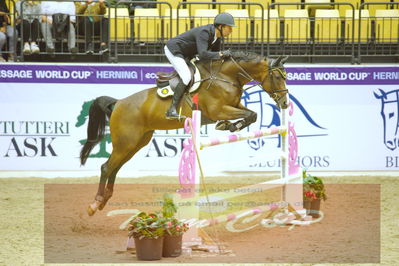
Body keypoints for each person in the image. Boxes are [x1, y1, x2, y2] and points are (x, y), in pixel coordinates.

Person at [164, 12, 235, 120]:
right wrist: (221, 54)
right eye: (229, 28)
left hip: (187, 54)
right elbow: (203, 55)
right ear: (220, 26)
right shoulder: (204, 32)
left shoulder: (217, 38)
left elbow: (214, 59)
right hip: (174, 50)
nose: (231, 31)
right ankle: (171, 109)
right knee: (186, 76)